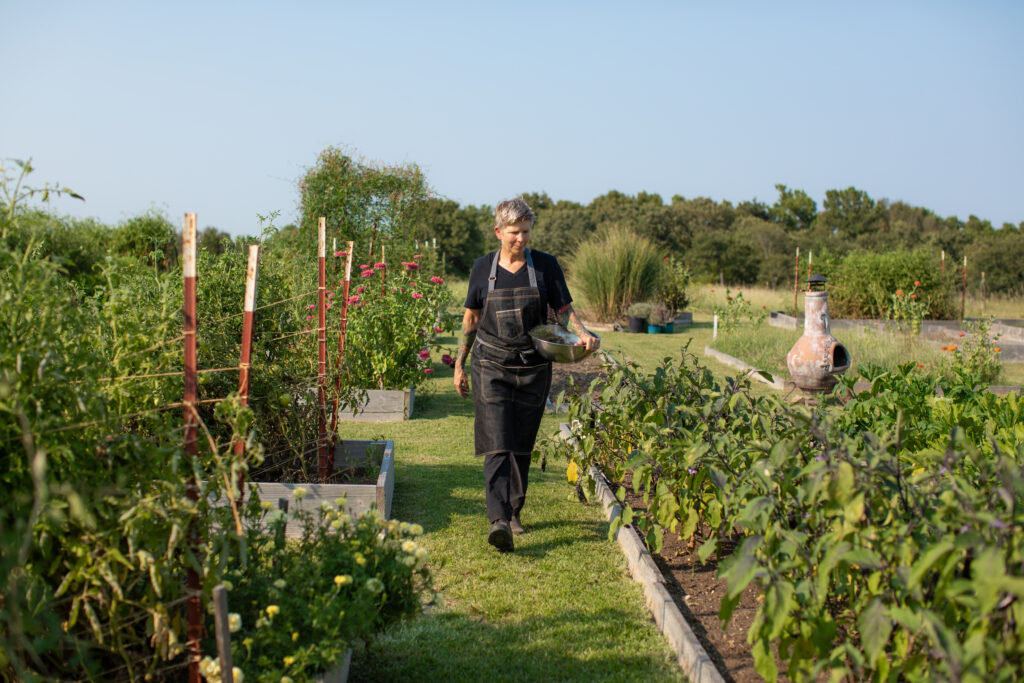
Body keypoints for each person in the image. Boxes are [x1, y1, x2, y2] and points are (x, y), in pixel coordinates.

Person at [454, 197, 599, 552]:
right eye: (514, 232)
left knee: (521, 442)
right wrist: (460, 362)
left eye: (526, 232)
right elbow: (471, 319)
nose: (521, 239)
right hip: (490, 364)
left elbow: (563, 310)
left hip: (533, 366)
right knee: (497, 440)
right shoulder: (482, 268)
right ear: (498, 231)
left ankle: (514, 509)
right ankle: (498, 519)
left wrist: (582, 333)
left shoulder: (545, 267)